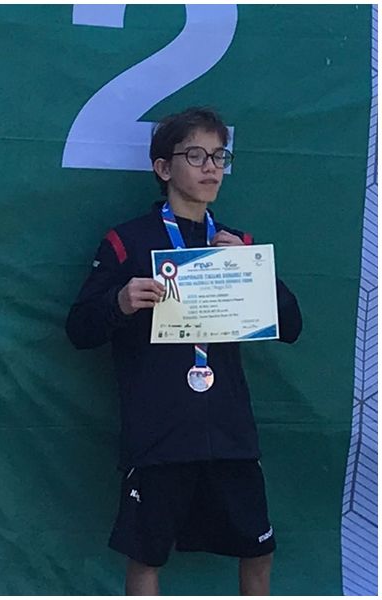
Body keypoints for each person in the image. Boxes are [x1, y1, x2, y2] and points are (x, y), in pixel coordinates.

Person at [66, 107, 302, 595]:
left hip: (230, 432)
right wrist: (120, 301)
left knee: (259, 551)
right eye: (196, 155)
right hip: (159, 432)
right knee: (146, 557)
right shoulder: (126, 242)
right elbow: (80, 330)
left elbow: (292, 327)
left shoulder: (236, 244)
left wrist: (254, 271)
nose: (211, 167)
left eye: (219, 156)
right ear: (163, 167)